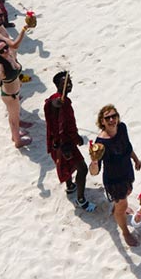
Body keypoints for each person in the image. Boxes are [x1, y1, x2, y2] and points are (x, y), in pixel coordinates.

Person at [88, 104, 141, 247]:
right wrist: (94, 161)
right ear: (102, 122)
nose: (112, 119)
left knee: (128, 193)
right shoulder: (100, 143)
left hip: (127, 171)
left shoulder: (122, 127)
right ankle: (125, 232)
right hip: (114, 180)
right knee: (122, 205)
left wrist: (135, 159)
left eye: (114, 116)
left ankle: (116, 208)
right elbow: (94, 172)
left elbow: (127, 145)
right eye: (108, 118)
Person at [44, 71, 93, 210]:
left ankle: (70, 186)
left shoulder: (65, 100)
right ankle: (81, 199)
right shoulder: (57, 100)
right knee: (82, 169)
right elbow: (53, 105)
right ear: (57, 85)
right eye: (65, 83)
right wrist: (57, 102)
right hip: (64, 143)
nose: (69, 84)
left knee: (67, 164)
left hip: (64, 141)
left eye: (70, 81)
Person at [0, 38, 30, 148]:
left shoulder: (10, 55)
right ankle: (18, 142)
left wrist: (24, 30)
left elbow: (15, 45)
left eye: (6, 47)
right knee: (13, 119)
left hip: (14, 92)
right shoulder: (0, 66)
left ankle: (15, 135)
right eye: (1, 51)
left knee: (14, 116)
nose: (5, 51)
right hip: (10, 96)